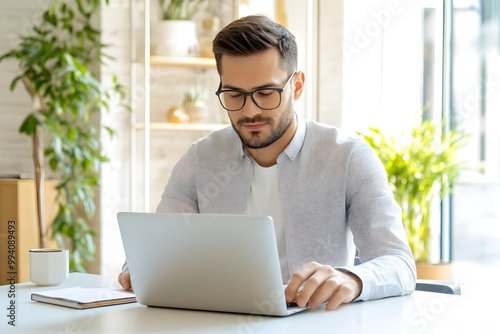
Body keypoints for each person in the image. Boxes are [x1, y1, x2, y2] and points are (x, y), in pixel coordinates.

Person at [118, 14, 416, 311]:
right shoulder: (200, 159)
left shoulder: (348, 157)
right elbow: (154, 248)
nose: (250, 111)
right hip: (216, 322)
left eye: (265, 93)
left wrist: (353, 279)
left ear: (296, 86)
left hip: (316, 324)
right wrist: (140, 268)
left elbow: (400, 265)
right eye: (234, 94)